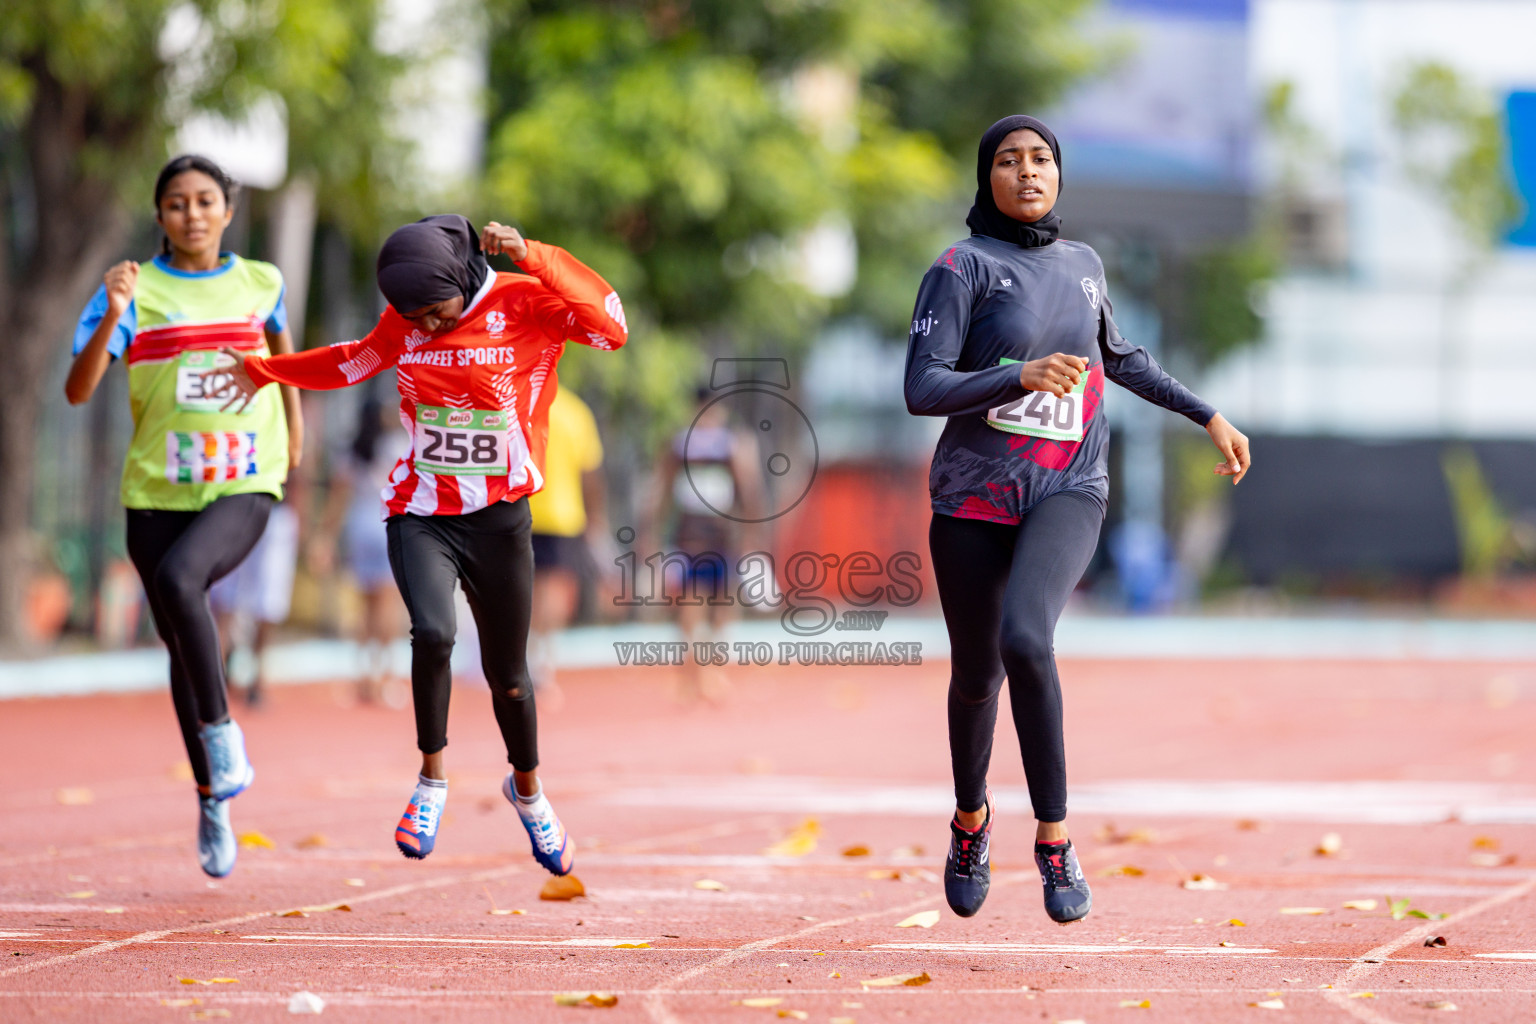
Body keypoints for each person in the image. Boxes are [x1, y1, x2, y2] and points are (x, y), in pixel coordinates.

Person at [904, 116, 1251, 924]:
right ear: (985, 178)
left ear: (1059, 174)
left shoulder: (1085, 266)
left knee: (1028, 636)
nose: (1028, 173)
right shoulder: (961, 269)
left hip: (1070, 485)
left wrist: (1207, 414)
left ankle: (1055, 840)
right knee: (978, 674)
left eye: (1042, 160)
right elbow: (921, 388)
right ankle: (970, 821)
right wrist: (1014, 374)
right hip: (973, 496)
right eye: (1008, 161)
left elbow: (1121, 358)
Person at [210, 215, 627, 877]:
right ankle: (432, 782)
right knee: (432, 634)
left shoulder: (525, 304)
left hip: (500, 518)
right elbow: (349, 361)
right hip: (422, 512)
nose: (425, 327)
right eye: (414, 318)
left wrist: (538, 256)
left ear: (463, 279)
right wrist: (265, 372)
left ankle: (529, 793)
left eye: (437, 313)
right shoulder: (404, 323)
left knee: (510, 679)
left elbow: (610, 325)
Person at [64, 154, 304, 878]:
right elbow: (78, 391)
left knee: (179, 582)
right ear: (160, 215)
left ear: (227, 210)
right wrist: (110, 313)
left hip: (247, 479)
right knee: (180, 641)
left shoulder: (262, 282)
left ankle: (223, 734)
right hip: (157, 490)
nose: (192, 214)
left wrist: (295, 436)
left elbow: (286, 358)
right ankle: (211, 796)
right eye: (176, 203)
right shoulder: (134, 289)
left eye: (205, 201)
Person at [647, 387, 767, 703]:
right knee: (714, 607)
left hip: (698, 537)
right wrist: (752, 534)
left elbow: (660, 492)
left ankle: (698, 676)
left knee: (698, 606)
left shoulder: (680, 443)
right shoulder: (731, 444)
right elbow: (749, 491)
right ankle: (705, 673)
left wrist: (653, 532)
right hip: (711, 537)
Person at [526, 386, 608, 706]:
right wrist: (595, 519)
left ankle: (529, 656)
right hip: (563, 515)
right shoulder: (575, 412)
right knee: (552, 590)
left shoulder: (520, 404)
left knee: (526, 589)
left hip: (522, 509)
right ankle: (544, 661)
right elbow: (590, 473)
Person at [211, 495, 300, 707]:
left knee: (252, 600)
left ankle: (224, 679)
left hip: (252, 511)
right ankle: (233, 676)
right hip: (256, 510)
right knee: (239, 599)